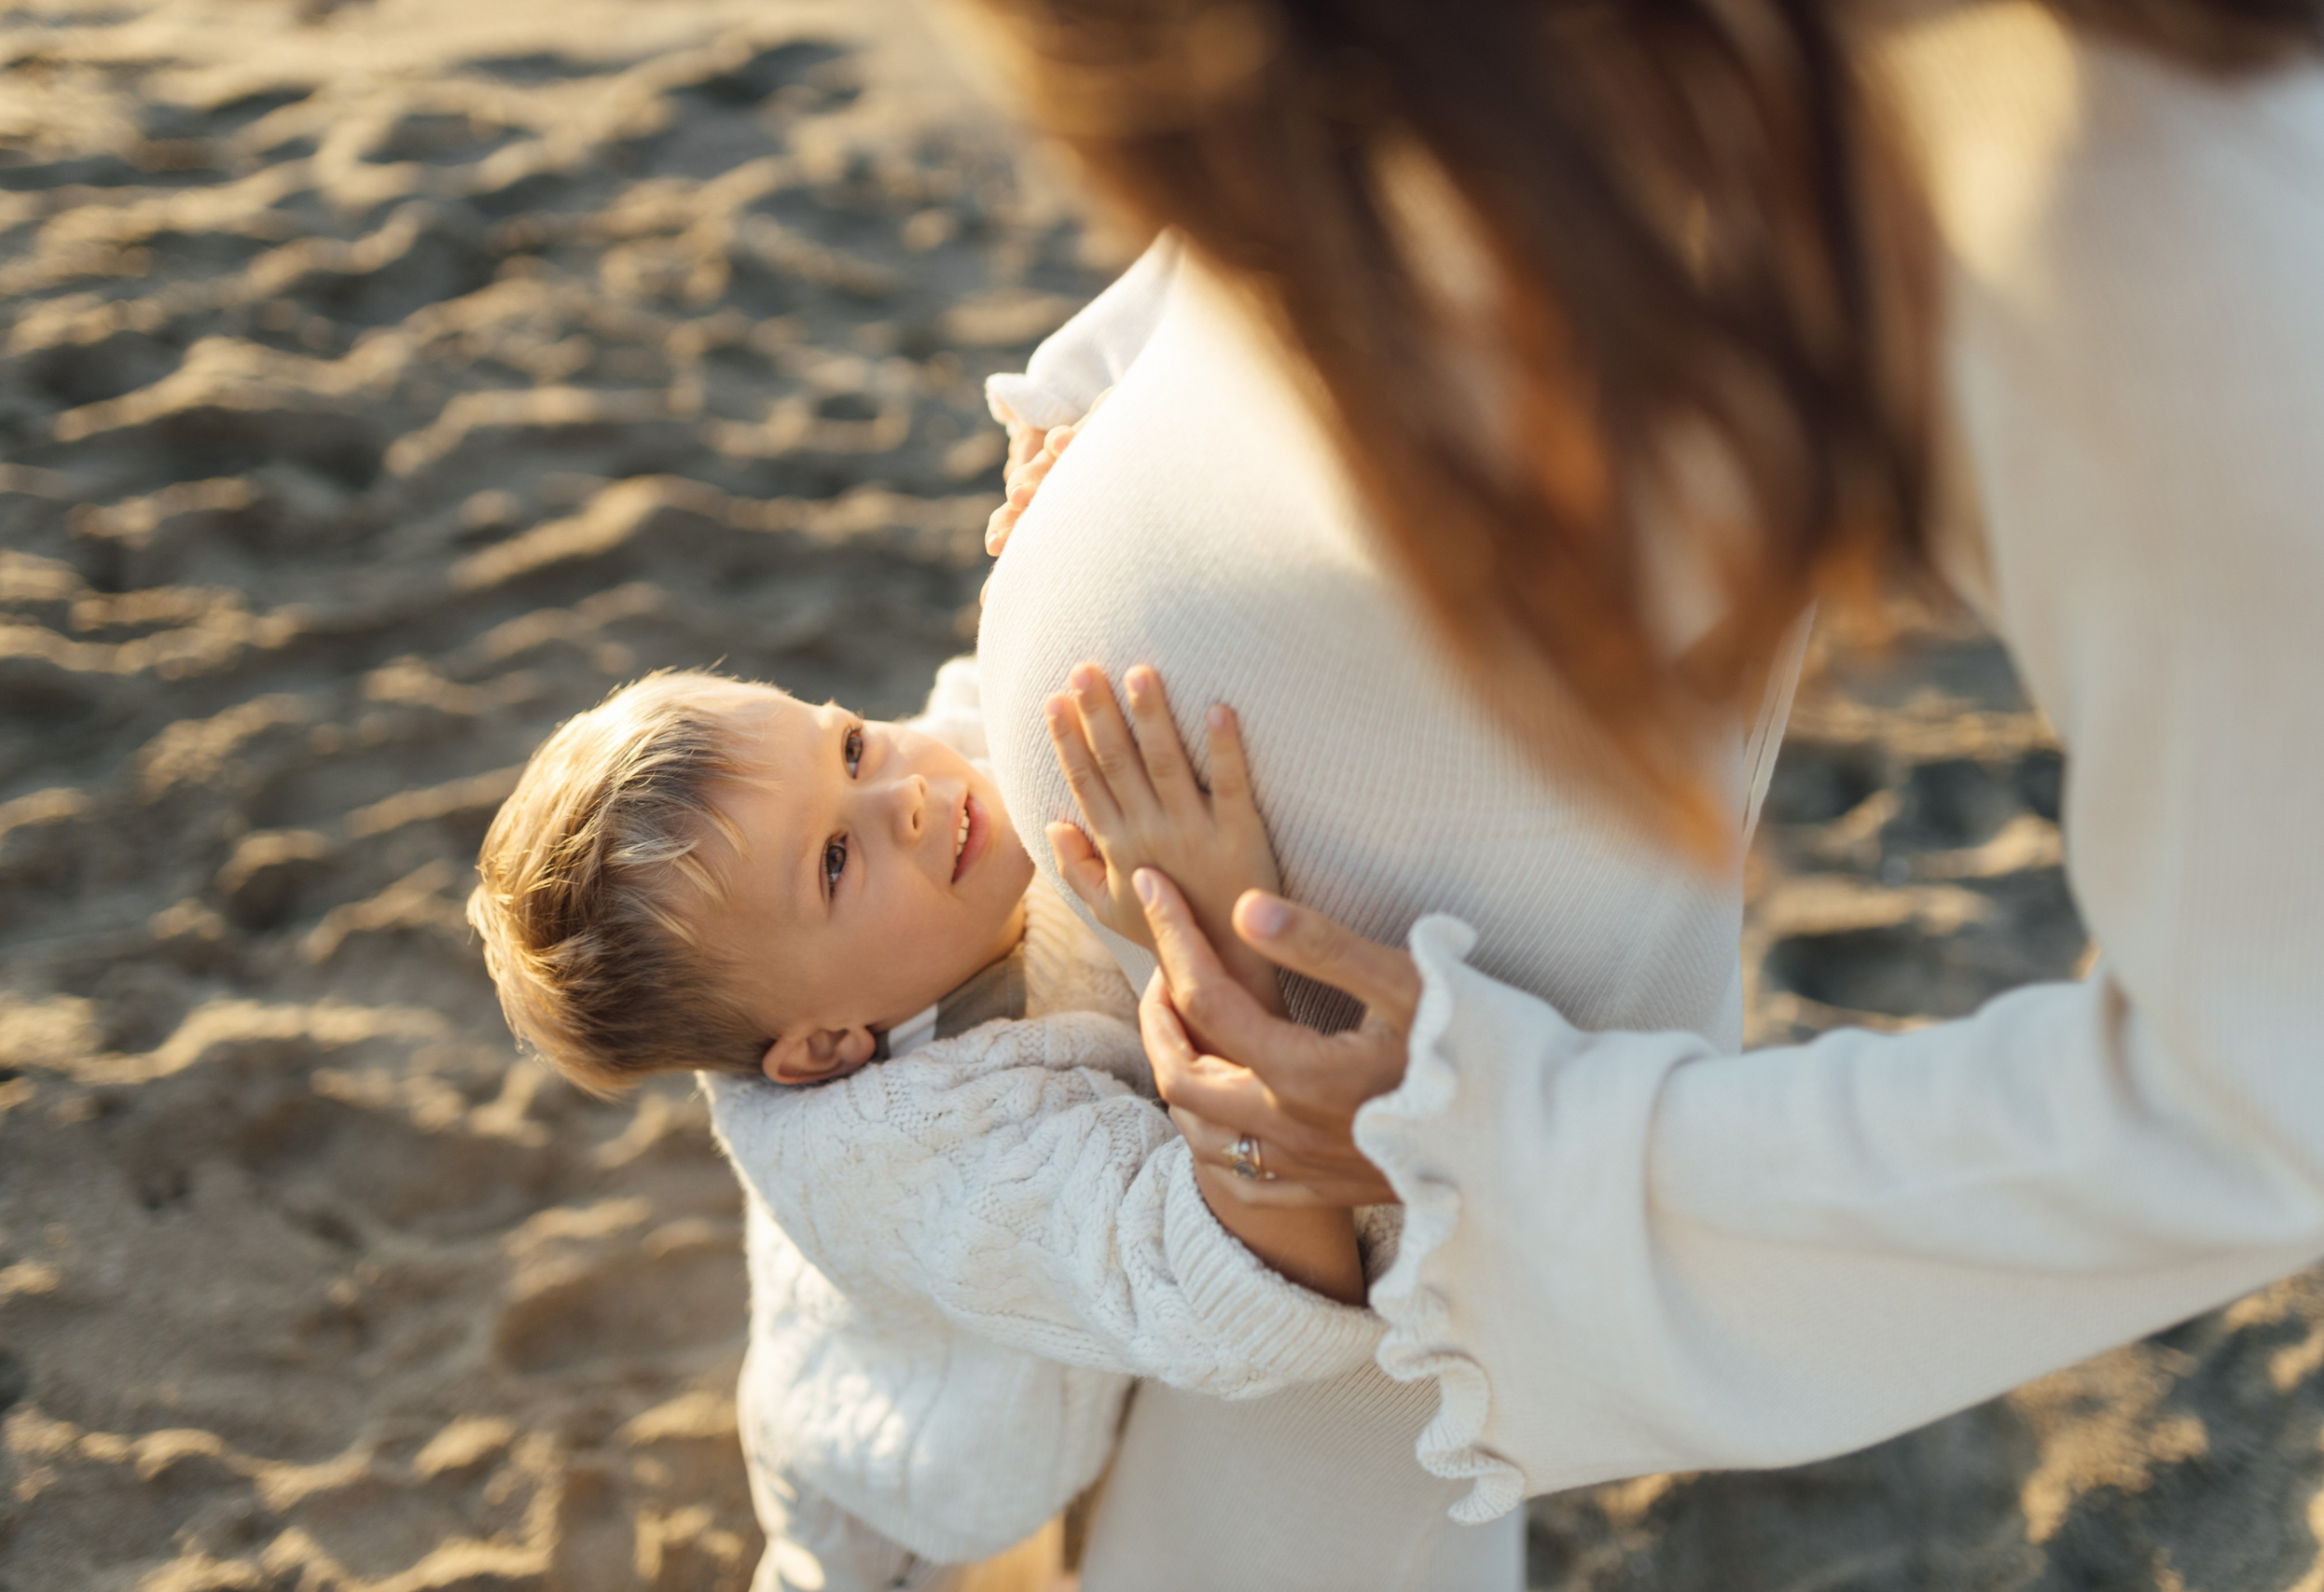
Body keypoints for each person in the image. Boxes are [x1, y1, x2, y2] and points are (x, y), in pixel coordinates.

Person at [961, 0, 2324, 1585]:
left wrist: (1513, 1146)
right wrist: (1140, 365)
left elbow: (2268, 1090)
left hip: (1369, 1093)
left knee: (1279, 1511)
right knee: (1042, 1438)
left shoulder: (2168, 228)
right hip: (1119, 961)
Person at [465, 659, 1379, 1591]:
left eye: (852, 743)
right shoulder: (936, 1161)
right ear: (824, 1048)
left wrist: (1042, 527)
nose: (902, 793)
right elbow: (1255, 1301)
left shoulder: (924, 819)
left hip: (898, 1336)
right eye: (832, 861)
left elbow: (995, 682)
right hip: (903, 1492)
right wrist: (1223, 959)